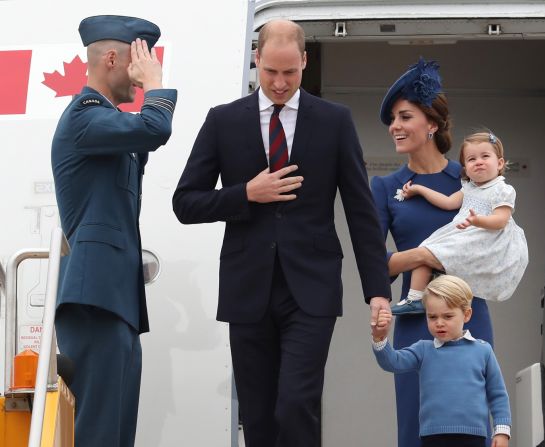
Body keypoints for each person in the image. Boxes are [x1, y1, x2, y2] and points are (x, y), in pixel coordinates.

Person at [171, 19, 391, 447]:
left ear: (305, 62)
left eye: (290, 72)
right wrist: (246, 194)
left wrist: (377, 290)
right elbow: (185, 203)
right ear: (256, 60)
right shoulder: (223, 121)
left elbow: (361, 211)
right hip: (247, 287)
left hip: (311, 288)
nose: (279, 82)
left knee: (295, 404)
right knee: (257, 416)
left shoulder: (334, 121)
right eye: (271, 71)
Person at [51, 15, 176, 447]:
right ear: (110, 59)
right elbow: (155, 128)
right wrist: (156, 84)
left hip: (115, 297)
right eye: (139, 62)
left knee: (118, 430)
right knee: (98, 430)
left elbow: (142, 139)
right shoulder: (85, 117)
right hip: (95, 297)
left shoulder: (108, 126)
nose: (143, 76)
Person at [370, 57, 495, 447]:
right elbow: (375, 265)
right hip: (414, 317)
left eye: (405, 116)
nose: (395, 126)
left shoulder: (467, 179)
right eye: (393, 119)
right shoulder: (385, 186)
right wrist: (423, 257)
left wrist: (427, 255)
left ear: (432, 125)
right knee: (415, 422)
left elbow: (493, 245)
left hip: (470, 311)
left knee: (471, 417)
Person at [390, 131, 529, 314]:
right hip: (463, 234)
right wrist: (419, 189)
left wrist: (478, 220)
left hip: (484, 240)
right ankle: (415, 298)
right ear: (465, 168)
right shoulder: (469, 188)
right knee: (428, 248)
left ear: (500, 163)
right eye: (471, 159)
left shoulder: (502, 190)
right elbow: (447, 202)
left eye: (485, 156)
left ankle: (433, 289)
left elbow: (500, 220)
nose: (478, 161)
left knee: (430, 254)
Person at [371, 275, 511, 447]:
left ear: (467, 314)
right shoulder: (423, 350)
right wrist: (379, 338)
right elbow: (393, 362)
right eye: (432, 317)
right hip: (433, 437)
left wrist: (502, 431)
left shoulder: (483, 351)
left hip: (474, 437)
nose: (439, 323)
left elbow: (498, 395)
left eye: (447, 316)